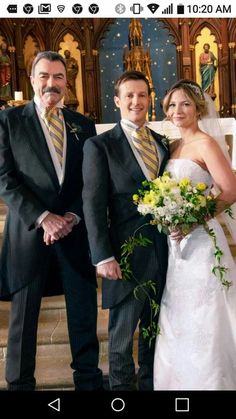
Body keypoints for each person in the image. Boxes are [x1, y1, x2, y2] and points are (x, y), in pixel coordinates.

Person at [0, 51, 103, 391]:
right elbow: (4, 179)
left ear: (66, 81)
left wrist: (71, 216)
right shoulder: (9, 122)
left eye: (58, 77)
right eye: (44, 76)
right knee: (23, 319)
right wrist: (44, 218)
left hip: (74, 235)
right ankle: (19, 384)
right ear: (31, 79)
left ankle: (88, 380)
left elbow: (90, 181)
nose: (51, 83)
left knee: (83, 312)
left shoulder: (82, 124)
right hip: (29, 235)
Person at [82, 70, 169, 390]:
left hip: (164, 253)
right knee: (121, 338)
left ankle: (149, 385)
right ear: (117, 101)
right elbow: (92, 204)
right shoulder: (99, 146)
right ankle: (119, 392)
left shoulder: (162, 144)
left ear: (150, 99)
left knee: (154, 331)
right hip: (125, 256)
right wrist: (103, 256)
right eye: (129, 96)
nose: (136, 101)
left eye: (142, 95)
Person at [153, 79, 236, 390]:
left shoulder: (205, 143)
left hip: (201, 240)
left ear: (199, 108)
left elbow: (230, 190)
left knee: (205, 310)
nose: (178, 110)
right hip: (175, 245)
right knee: (179, 310)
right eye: (172, 104)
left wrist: (192, 221)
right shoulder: (172, 146)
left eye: (185, 104)